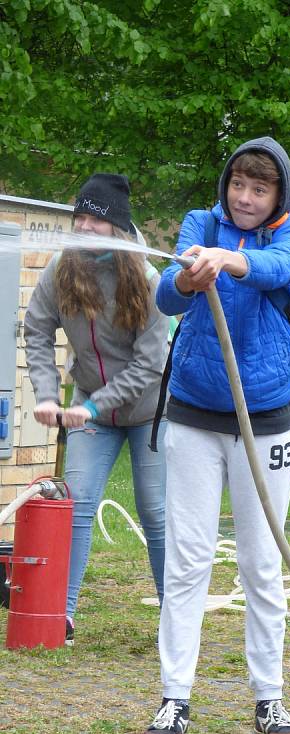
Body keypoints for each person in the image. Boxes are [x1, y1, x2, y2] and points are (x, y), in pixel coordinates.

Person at [142, 137, 290, 734]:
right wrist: (189, 277)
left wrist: (230, 261)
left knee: (262, 565)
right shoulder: (198, 223)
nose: (244, 197)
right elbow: (164, 296)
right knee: (187, 561)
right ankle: (173, 700)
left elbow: (279, 270)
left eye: (259, 188)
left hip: (263, 420)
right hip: (192, 416)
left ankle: (270, 700)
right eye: (239, 184)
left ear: (277, 196)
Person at [24, 173, 169, 645]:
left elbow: (152, 363)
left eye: (96, 220)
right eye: (79, 217)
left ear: (118, 228)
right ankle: (59, 616)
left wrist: (93, 406)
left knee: (156, 512)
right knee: (77, 504)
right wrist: (47, 393)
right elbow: (37, 331)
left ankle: (176, 617)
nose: (85, 227)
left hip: (150, 413)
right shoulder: (60, 269)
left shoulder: (148, 280)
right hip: (90, 412)